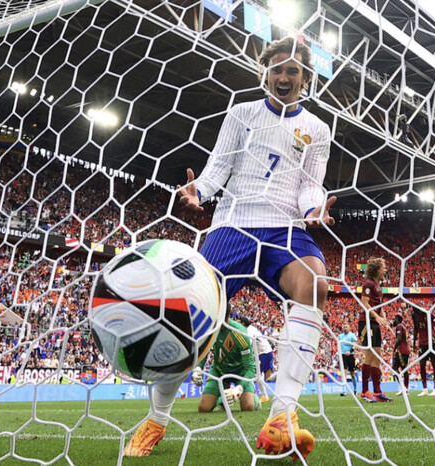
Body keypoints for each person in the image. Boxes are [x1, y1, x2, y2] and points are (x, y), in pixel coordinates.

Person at [125, 37, 335, 460]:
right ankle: (157, 418)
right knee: (187, 316)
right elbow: (219, 165)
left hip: (284, 229)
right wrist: (198, 190)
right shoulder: (242, 113)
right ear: (266, 73)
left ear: (305, 78)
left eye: (292, 71)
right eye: (277, 69)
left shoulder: (317, 128)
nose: (284, 77)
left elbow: (311, 184)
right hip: (234, 224)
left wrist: (313, 208)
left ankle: (282, 414)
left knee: (314, 283)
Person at [191, 315, 259, 413]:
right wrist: (198, 368)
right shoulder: (210, 329)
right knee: (203, 409)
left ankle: (255, 399)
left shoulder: (240, 332)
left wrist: (239, 388)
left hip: (241, 373)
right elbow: (205, 350)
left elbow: (250, 367)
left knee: (248, 407)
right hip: (219, 371)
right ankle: (223, 400)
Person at [358, 257, 392, 403]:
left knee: (377, 356)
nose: (385, 269)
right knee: (370, 356)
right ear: (377, 269)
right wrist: (376, 317)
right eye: (383, 267)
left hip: (375, 322)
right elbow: (364, 302)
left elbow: (380, 305)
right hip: (366, 322)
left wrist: (384, 318)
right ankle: (365, 391)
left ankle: (377, 392)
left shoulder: (378, 286)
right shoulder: (369, 284)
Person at [240, 315, 275, 403]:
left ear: (243, 323)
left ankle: (281, 376)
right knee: (258, 376)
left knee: (267, 377)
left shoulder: (249, 330)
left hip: (264, 353)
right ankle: (264, 396)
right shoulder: (252, 329)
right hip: (262, 353)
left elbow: (249, 342)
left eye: (239, 323)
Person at [411, 306, 435, 397]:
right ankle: (425, 389)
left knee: (434, 363)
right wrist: (414, 343)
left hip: (431, 342)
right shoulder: (414, 316)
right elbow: (416, 329)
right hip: (422, 343)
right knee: (422, 364)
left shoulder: (428, 314)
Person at [391, 314, 410, 396]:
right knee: (403, 369)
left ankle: (403, 387)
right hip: (405, 350)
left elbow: (399, 339)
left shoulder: (399, 326)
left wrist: (394, 349)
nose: (393, 320)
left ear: (397, 319)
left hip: (402, 350)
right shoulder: (402, 326)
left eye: (394, 319)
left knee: (395, 368)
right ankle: (405, 388)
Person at [337, 323, 358, 396]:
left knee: (352, 373)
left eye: (346, 327)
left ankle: (355, 389)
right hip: (343, 356)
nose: (345, 328)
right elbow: (339, 345)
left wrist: (350, 351)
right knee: (344, 372)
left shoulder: (352, 335)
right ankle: (344, 391)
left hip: (350, 356)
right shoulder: (340, 336)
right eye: (344, 327)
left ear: (349, 328)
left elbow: (355, 345)